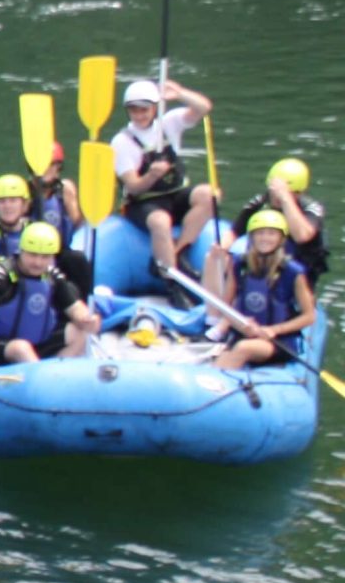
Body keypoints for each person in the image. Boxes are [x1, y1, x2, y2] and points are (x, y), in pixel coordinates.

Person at [113, 75, 218, 293]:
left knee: (210, 195)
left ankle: (179, 252)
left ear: (155, 108)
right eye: (134, 110)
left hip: (174, 194)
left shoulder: (169, 123)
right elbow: (133, 186)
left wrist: (179, 93)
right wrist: (151, 176)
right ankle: (173, 283)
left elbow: (203, 107)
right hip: (142, 202)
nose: (140, 115)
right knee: (161, 222)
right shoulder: (122, 142)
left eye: (145, 109)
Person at [0, 223, 98, 368]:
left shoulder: (53, 276)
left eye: (45, 257)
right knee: (21, 348)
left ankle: (55, 374)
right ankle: (39, 380)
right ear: (21, 250)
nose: (38, 262)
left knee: (81, 333)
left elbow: (75, 308)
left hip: (34, 344)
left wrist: (87, 319)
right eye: (32, 255)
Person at [205, 208, 317, 370]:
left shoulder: (293, 272)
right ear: (252, 237)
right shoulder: (240, 265)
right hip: (243, 334)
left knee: (244, 348)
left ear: (281, 238)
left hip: (278, 341)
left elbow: (309, 317)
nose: (265, 238)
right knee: (232, 351)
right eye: (260, 233)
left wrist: (273, 330)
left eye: (271, 233)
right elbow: (226, 307)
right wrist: (239, 323)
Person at [0, 169, 88, 291]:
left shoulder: (34, 229)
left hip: (34, 286)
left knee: (75, 260)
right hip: (2, 291)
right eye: (1, 202)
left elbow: (48, 266)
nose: (7, 206)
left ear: (25, 205)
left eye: (13, 201)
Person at [231, 157, 327, 286]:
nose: (276, 197)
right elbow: (235, 232)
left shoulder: (311, 207)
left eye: (292, 193)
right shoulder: (260, 202)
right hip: (262, 262)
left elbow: (303, 236)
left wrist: (285, 198)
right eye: (274, 192)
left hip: (301, 266)